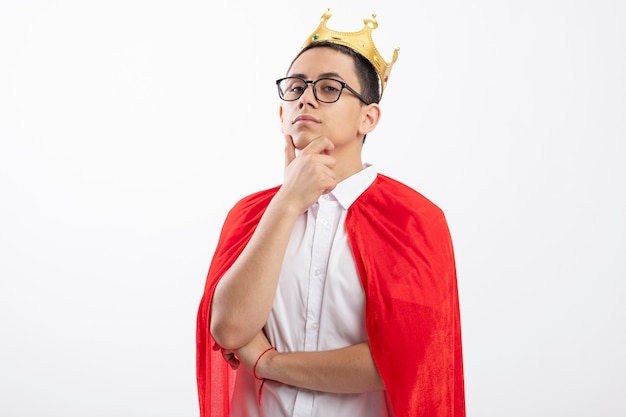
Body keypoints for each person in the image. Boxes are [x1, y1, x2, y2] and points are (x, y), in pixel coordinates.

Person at [196, 9, 466, 417]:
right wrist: (287, 202)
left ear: (368, 117)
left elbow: (398, 360)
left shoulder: (414, 220)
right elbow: (229, 328)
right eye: (296, 87)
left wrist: (268, 363)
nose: (305, 97)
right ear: (281, 112)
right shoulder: (251, 215)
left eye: (328, 88)